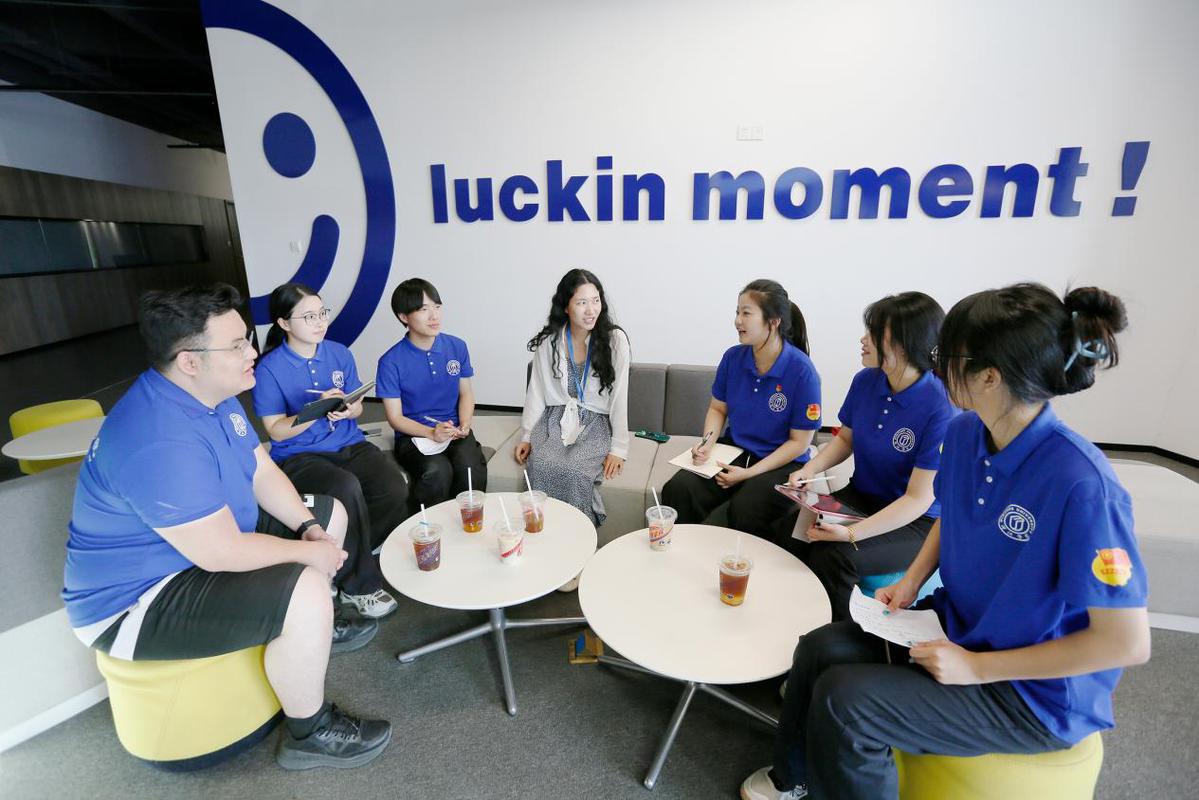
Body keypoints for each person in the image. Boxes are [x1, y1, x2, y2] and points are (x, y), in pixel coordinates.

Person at [740, 283, 1150, 800]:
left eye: (947, 358)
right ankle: (791, 780)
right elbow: (950, 516)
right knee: (819, 648)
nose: (938, 369)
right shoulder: (965, 434)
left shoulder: (1083, 484)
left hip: (1030, 694)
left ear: (990, 376)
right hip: (956, 629)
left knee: (848, 702)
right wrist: (911, 582)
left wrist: (977, 667)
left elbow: (1126, 643)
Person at [62, 284, 391, 770]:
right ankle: (310, 732)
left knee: (330, 513)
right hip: (137, 600)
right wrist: (308, 555)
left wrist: (308, 528)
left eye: (247, 340)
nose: (252, 353)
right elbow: (220, 552)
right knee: (305, 589)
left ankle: (307, 628)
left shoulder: (214, 396)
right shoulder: (157, 437)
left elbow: (261, 471)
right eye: (237, 346)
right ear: (189, 361)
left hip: (199, 546)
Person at [784, 292, 956, 621]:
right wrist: (810, 469)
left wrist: (852, 533)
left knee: (834, 555)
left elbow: (917, 499)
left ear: (905, 344)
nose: (863, 340)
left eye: (874, 334)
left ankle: (841, 634)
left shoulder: (941, 407)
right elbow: (846, 439)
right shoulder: (866, 381)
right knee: (790, 527)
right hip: (863, 497)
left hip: (916, 522)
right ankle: (792, 617)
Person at [252, 282, 408, 619]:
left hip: (349, 442)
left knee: (393, 485)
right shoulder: (269, 369)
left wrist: (349, 410)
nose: (320, 321)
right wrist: (315, 410)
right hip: (298, 455)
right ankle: (358, 586)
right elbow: (275, 429)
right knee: (344, 487)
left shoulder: (339, 353)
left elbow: (357, 405)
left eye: (322, 313)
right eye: (309, 316)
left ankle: (352, 551)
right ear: (284, 323)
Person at [661, 279, 820, 539]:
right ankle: (681, 552)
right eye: (737, 312)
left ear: (773, 322)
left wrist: (748, 474)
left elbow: (799, 443)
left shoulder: (803, 372)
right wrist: (707, 443)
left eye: (746, 313)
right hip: (736, 450)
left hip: (782, 463)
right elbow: (717, 409)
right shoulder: (733, 358)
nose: (738, 321)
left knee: (746, 509)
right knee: (680, 488)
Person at [514, 268, 630, 529]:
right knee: (542, 464)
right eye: (582, 303)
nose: (591, 310)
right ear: (566, 306)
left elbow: (620, 397)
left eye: (596, 300)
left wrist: (619, 449)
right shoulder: (550, 342)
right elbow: (536, 392)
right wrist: (527, 435)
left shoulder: (615, 341)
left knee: (574, 469)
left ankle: (578, 532)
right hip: (555, 419)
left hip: (596, 423)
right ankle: (542, 529)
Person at [377, 278, 487, 508]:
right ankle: (425, 525)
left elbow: (466, 393)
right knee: (437, 472)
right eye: (423, 309)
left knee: (470, 467)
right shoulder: (390, 361)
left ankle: (470, 522)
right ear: (404, 317)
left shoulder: (457, 347)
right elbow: (395, 418)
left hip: (454, 430)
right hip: (414, 436)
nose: (434, 316)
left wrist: (465, 424)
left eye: (437, 307)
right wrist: (430, 432)